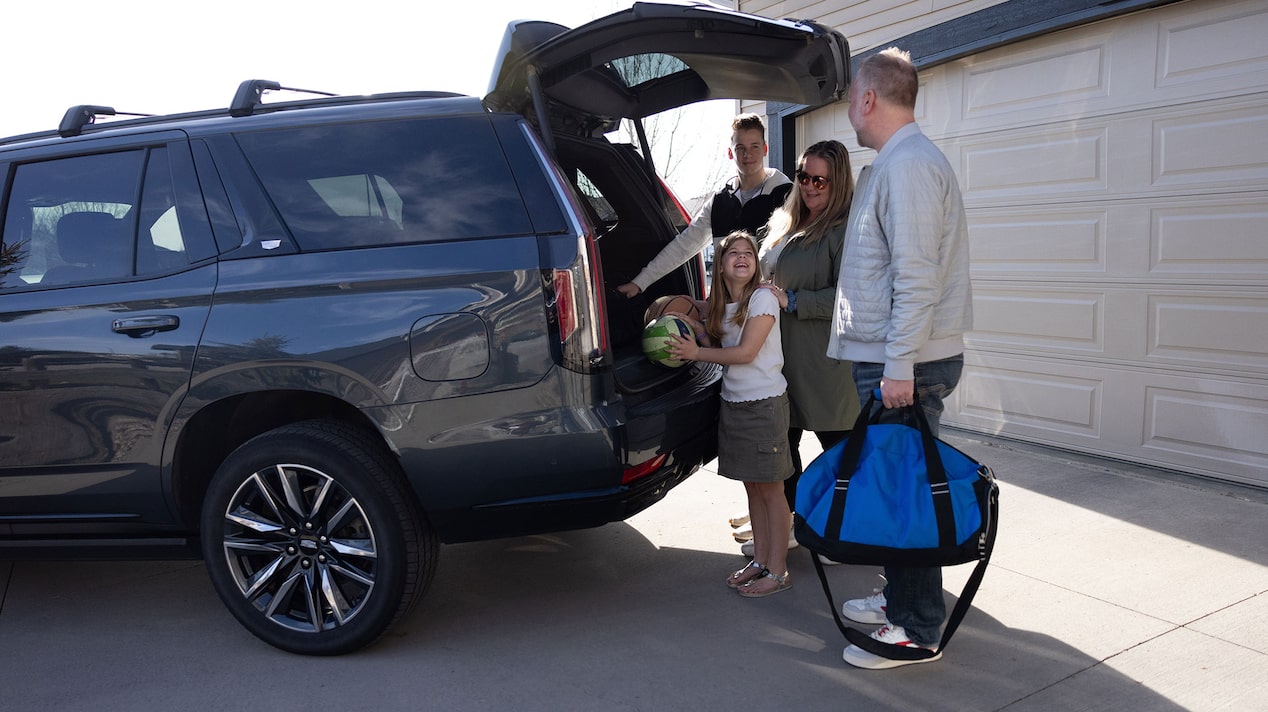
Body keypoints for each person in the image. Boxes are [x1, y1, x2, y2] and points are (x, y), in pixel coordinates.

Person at [826, 48, 974, 669]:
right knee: (894, 486)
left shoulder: (909, 166)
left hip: (904, 366)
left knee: (908, 493)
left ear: (867, 98)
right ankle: (900, 603)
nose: (848, 113)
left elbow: (917, 277)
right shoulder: (896, 163)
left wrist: (898, 366)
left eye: (849, 99)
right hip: (896, 360)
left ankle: (915, 627)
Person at [665, 230, 795, 598]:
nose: (742, 257)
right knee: (753, 488)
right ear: (719, 264)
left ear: (755, 263)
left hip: (764, 404)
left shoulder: (764, 298)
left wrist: (696, 354)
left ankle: (779, 570)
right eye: (733, 253)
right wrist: (697, 335)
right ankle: (760, 562)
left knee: (772, 490)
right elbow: (723, 346)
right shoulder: (725, 306)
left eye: (748, 253)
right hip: (734, 402)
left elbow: (746, 353)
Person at [757, 140, 860, 556]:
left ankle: (839, 538)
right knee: (783, 453)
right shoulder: (788, 220)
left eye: (821, 179)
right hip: (780, 362)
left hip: (824, 367)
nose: (811, 186)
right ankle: (796, 529)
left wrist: (795, 301)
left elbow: (852, 294)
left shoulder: (844, 228)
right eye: (804, 176)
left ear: (838, 182)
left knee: (838, 459)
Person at [616, 114, 792, 299]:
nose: (747, 155)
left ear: (764, 149)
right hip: (726, 310)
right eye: (740, 148)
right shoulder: (719, 202)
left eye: (754, 147)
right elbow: (684, 245)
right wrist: (639, 282)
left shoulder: (786, 196)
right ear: (730, 153)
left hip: (767, 308)